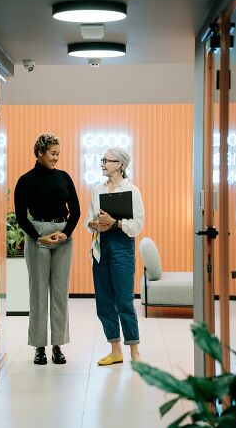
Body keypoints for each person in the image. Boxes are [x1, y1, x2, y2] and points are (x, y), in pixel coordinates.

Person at [14, 133, 80, 365]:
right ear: (40, 152)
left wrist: (65, 233)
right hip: (37, 236)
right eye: (53, 153)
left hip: (63, 236)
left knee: (60, 293)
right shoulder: (25, 180)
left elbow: (76, 210)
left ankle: (58, 345)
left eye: (58, 154)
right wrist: (39, 238)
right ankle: (39, 347)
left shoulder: (64, 177)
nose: (56, 158)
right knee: (39, 293)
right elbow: (21, 216)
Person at [85, 146, 145, 365]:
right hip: (101, 248)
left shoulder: (132, 191)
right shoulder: (97, 190)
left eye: (106, 160)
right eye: (102, 160)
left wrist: (116, 223)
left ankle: (135, 352)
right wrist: (94, 224)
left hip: (122, 247)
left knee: (124, 301)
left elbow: (138, 224)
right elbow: (88, 220)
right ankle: (115, 350)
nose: (102, 163)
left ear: (119, 164)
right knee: (104, 301)